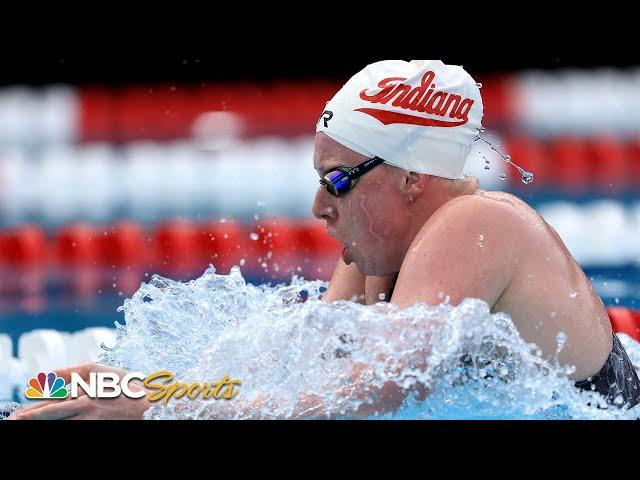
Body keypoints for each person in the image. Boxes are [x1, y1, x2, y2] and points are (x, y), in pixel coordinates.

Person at [11, 60, 639, 420]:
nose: (318, 208)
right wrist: (140, 386)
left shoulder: (478, 226)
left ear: (413, 178)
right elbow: (298, 386)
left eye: (336, 180)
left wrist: (159, 414)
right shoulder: (377, 264)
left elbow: (368, 397)